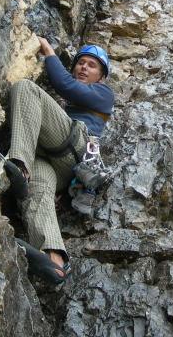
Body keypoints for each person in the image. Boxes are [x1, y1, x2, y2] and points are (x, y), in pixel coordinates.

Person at [7, 36, 114, 285]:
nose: (83, 67)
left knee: (25, 89)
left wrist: (48, 52)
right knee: (38, 187)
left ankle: (20, 166)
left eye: (92, 65)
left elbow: (65, 84)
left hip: (75, 144)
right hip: (60, 169)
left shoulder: (104, 94)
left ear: (101, 77)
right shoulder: (70, 104)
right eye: (80, 63)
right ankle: (54, 260)